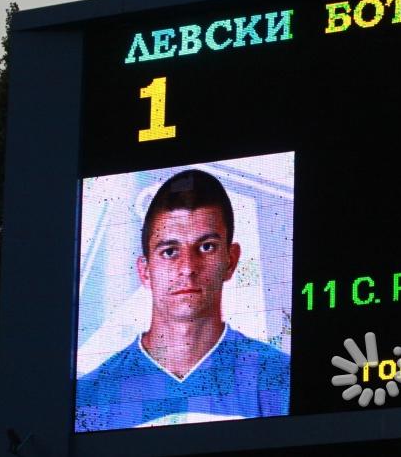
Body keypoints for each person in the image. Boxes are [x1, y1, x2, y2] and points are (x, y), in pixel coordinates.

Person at [75, 169, 290, 431]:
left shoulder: (279, 378)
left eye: (206, 247)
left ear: (231, 260)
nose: (187, 267)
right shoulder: (89, 398)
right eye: (169, 251)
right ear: (145, 270)